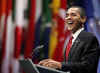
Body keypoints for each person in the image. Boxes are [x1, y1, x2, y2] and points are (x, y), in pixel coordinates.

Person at [38, 6, 100, 73]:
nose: (69, 18)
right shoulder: (71, 40)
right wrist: (49, 66)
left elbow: (88, 67)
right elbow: (70, 68)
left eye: (73, 15)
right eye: (67, 15)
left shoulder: (89, 38)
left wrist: (60, 64)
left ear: (83, 19)